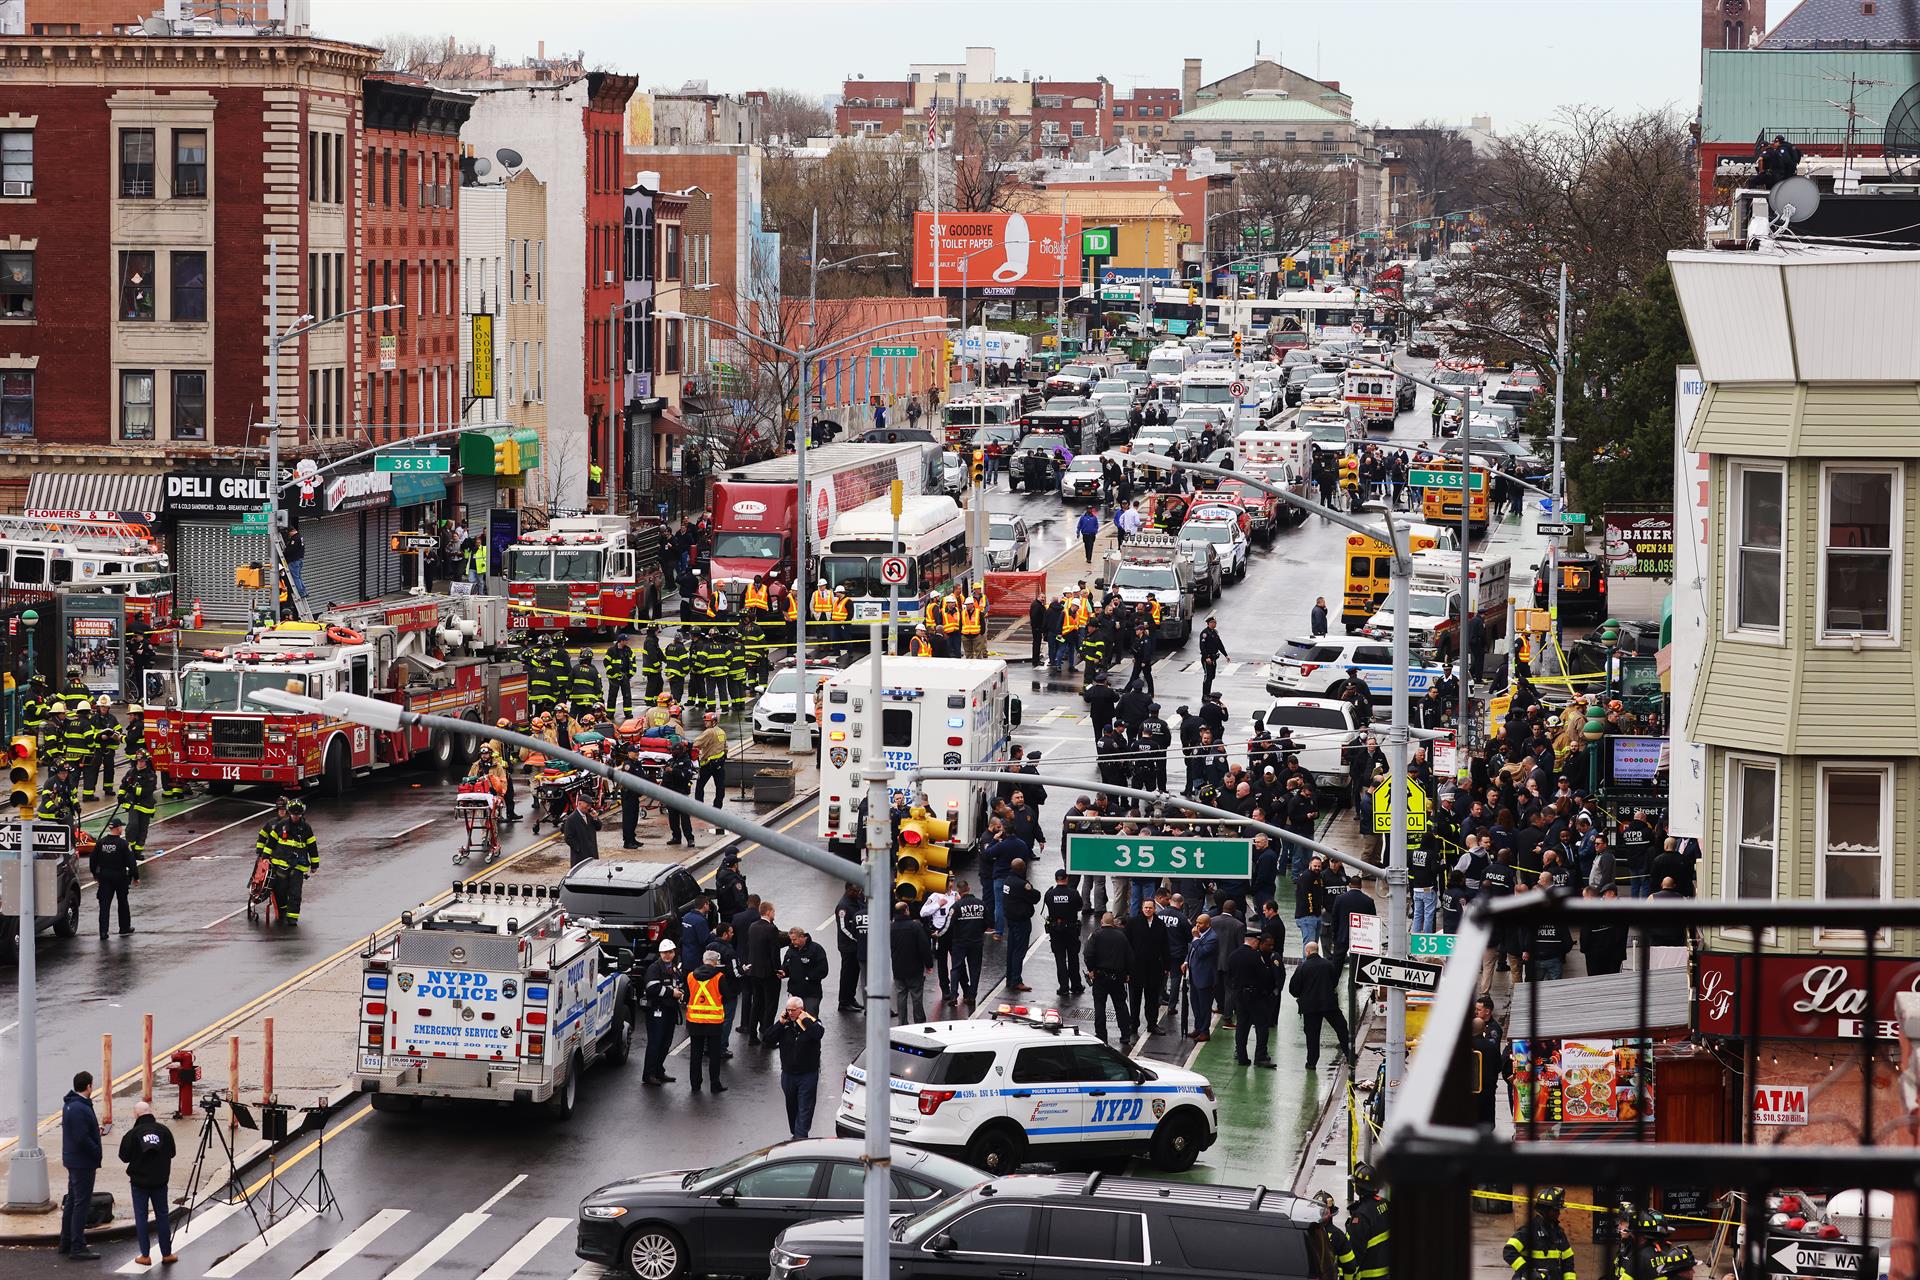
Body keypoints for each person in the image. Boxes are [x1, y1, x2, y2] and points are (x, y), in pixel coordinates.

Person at [119, 1099, 177, 1266]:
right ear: (151, 1112)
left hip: (139, 1183)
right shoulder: (164, 1131)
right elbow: (172, 1152)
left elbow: (124, 1157)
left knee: (141, 1217)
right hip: (160, 1181)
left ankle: (145, 1255)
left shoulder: (132, 1134)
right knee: (162, 1216)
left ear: (136, 1115)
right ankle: (167, 1254)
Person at [59, 1070, 103, 1260]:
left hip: (73, 1159)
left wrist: (95, 1131)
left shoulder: (71, 1104)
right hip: (82, 1162)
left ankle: (66, 1241)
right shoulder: (80, 1107)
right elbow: (81, 1137)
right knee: (81, 1203)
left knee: (72, 1201)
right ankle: (78, 1246)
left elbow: (81, 1131)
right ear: (88, 1086)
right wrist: (95, 1149)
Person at [1289, 941, 1354, 1069]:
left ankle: (1311, 1063)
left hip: (1310, 1007)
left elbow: (1293, 989)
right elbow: (1334, 981)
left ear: (1307, 952)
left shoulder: (1302, 967)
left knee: (1312, 1035)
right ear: (1317, 950)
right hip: (1329, 1004)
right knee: (1341, 1027)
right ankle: (1349, 1054)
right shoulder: (1328, 965)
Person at [773, 997, 826, 1140]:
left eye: (793, 1010)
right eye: (788, 1010)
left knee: (805, 1107)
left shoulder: (812, 1022)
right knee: (792, 1105)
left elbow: (818, 1033)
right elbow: (768, 1038)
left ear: (801, 1010)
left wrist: (805, 1020)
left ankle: (800, 1136)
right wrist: (780, 1024)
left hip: (807, 1074)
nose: (790, 1013)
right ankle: (795, 1132)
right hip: (788, 1074)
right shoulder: (785, 1025)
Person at [1224, 931, 1278, 1066]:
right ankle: (1260, 1057)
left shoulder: (1233, 955)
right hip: (1255, 996)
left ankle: (1242, 1056)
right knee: (1261, 1026)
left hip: (1239, 996)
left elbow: (1229, 975)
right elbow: (1264, 976)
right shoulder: (1255, 956)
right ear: (1254, 941)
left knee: (1242, 1025)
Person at [1502, 1186, 1576, 1280]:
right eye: (1555, 1210)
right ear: (1545, 1209)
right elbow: (1509, 1251)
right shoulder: (1529, 1231)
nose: (1558, 1213)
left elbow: (1568, 1261)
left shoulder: (1558, 1233)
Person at [1082, 911, 1134, 1043]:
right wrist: (1127, 973)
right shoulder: (1121, 936)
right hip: (1117, 978)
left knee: (1099, 1006)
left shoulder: (1095, 936)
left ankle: (1101, 1035)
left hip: (1100, 977)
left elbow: (1088, 953)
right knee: (1121, 1006)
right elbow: (1130, 957)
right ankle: (1125, 1034)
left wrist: (1091, 970)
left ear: (1101, 922)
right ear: (1114, 923)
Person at [684, 948, 731, 1094]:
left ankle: (695, 1084)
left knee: (696, 1054)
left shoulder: (691, 976)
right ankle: (714, 1084)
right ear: (715, 962)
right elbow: (727, 996)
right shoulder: (719, 977)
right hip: (714, 1023)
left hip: (695, 1021)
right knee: (714, 1055)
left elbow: (686, 997)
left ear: (703, 961)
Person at [639, 940, 683, 1086]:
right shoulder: (654, 968)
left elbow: (679, 984)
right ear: (660, 953)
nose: (668, 955)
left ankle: (659, 1071)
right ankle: (649, 1074)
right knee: (655, 1043)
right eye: (665, 952)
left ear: (674, 952)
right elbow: (652, 988)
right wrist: (672, 992)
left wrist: (681, 992)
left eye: (670, 952)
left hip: (670, 1009)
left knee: (666, 1043)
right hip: (657, 1010)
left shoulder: (674, 968)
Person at [1124, 897, 1170, 1035]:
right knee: (1135, 1000)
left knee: (1152, 999)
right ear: (1142, 908)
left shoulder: (1160, 924)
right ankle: (1133, 1027)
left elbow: (1165, 946)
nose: (1148, 910)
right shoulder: (1133, 923)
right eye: (1146, 907)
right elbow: (1126, 946)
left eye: (1150, 908)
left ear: (1154, 909)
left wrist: (1167, 966)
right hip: (1136, 968)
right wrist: (1126, 967)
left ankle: (1152, 1024)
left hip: (1154, 968)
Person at [270, 799, 318, 925]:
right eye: (293, 814)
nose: (295, 817)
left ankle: (292, 918)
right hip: (281, 865)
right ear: (289, 813)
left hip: (298, 866)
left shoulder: (306, 828)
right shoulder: (282, 825)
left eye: (298, 815)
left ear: (302, 814)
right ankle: (282, 912)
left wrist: (314, 864)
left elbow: (312, 847)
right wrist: (264, 856)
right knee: (280, 891)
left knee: (295, 893)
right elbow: (271, 842)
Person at [90, 816, 138, 939]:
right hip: (120, 876)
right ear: (117, 828)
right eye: (121, 826)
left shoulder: (101, 842)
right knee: (122, 902)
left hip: (104, 877)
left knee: (104, 905)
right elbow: (131, 862)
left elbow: (93, 860)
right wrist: (135, 877)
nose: (122, 828)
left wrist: (95, 874)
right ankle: (124, 928)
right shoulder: (123, 844)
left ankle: (103, 932)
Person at [745, 901, 784, 1042]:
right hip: (768, 973)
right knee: (770, 1005)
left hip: (754, 971)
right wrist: (777, 970)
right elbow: (774, 952)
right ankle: (768, 1037)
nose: (774, 914)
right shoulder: (771, 929)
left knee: (757, 1003)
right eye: (773, 911)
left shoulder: (752, 927)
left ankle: (752, 1036)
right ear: (768, 912)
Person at [890, 901, 934, 1021]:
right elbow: (924, 947)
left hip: (898, 968)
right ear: (906, 911)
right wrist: (929, 964)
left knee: (901, 995)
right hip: (914, 968)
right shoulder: (915, 927)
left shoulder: (891, 928)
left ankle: (902, 1022)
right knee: (916, 996)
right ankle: (919, 1022)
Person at [945, 879, 987, 1005]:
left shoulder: (956, 906)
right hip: (976, 941)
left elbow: (949, 925)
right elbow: (988, 922)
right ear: (968, 889)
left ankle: (953, 996)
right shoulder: (981, 904)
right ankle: (972, 996)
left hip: (960, 941)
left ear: (959, 891)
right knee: (975, 969)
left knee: (956, 968)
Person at [1044, 869, 1085, 996]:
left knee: (1060, 958)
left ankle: (1063, 987)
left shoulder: (1050, 894)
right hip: (1071, 929)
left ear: (1056, 879)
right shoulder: (1073, 893)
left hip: (1056, 930)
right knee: (1073, 958)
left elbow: (1048, 906)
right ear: (1066, 879)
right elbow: (1079, 906)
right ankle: (1076, 985)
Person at [1000, 858, 1039, 993]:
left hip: (1011, 920)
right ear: (1023, 869)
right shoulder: (1021, 884)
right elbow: (1035, 897)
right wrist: (1029, 886)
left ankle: (1010, 978)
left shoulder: (1008, 880)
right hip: (1021, 920)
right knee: (1019, 951)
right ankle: (1016, 980)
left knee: (1011, 950)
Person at [832, 882, 868, 1013]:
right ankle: (844, 1002)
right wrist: (857, 938)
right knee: (847, 974)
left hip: (856, 946)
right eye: (855, 891)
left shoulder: (857, 900)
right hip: (848, 946)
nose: (858, 893)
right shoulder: (843, 906)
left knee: (855, 974)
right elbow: (843, 928)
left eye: (859, 890)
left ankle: (851, 998)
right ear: (848, 890)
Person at [780, 925, 829, 1016]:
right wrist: (783, 972)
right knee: (794, 1020)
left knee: (809, 1020)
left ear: (802, 937)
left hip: (811, 993)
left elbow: (823, 970)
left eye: (794, 939)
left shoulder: (816, 949)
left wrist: (808, 977)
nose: (792, 942)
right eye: (791, 940)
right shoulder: (791, 950)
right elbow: (786, 965)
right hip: (795, 992)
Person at [1183, 913, 1219, 1041]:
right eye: (1197, 922)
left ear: (1208, 924)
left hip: (1205, 978)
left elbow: (1202, 952)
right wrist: (1187, 961)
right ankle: (1198, 1027)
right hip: (1194, 976)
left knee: (1204, 1006)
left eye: (1200, 923)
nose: (1197, 925)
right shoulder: (1198, 935)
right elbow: (1192, 950)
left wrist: (1196, 938)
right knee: (1195, 1004)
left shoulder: (1212, 938)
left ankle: (1205, 1032)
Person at [562, 792, 600, 866]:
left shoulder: (590, 816)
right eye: (587, 805)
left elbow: (598, 827)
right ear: (579, 804)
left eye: (590, 806)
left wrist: (595, 818)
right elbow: (568, 838)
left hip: (592, 854)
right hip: (580, 857)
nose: (589, 807)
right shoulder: (571, 819)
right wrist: (578, 849)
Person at [604, 634, 637, 714]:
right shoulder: (612, 650)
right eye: (626, 640)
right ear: (621, 641)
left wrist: (631, 673)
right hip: (614, 677)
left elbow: (633, 661)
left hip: (625, 676)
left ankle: (628, 712)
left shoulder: (628, 650)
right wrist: (611, 671)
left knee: (627, 695)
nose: (627, 642)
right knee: (612, 695)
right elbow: (606, 661)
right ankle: (610, 713)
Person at [1198, 617, 1228, 701]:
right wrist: (1206, 657)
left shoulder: (1215, 632)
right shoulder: (1204, 633)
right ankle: (1205, 695)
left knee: (1211, 676)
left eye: (1215, 622)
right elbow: (1202, 646)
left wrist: (1226, 655)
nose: (1214, 624)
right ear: (1208, 623)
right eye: (1212, 622)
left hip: (1213, 658)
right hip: (1207, 658)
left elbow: (1219, 644)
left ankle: (1208, 693)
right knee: (1207, 677)